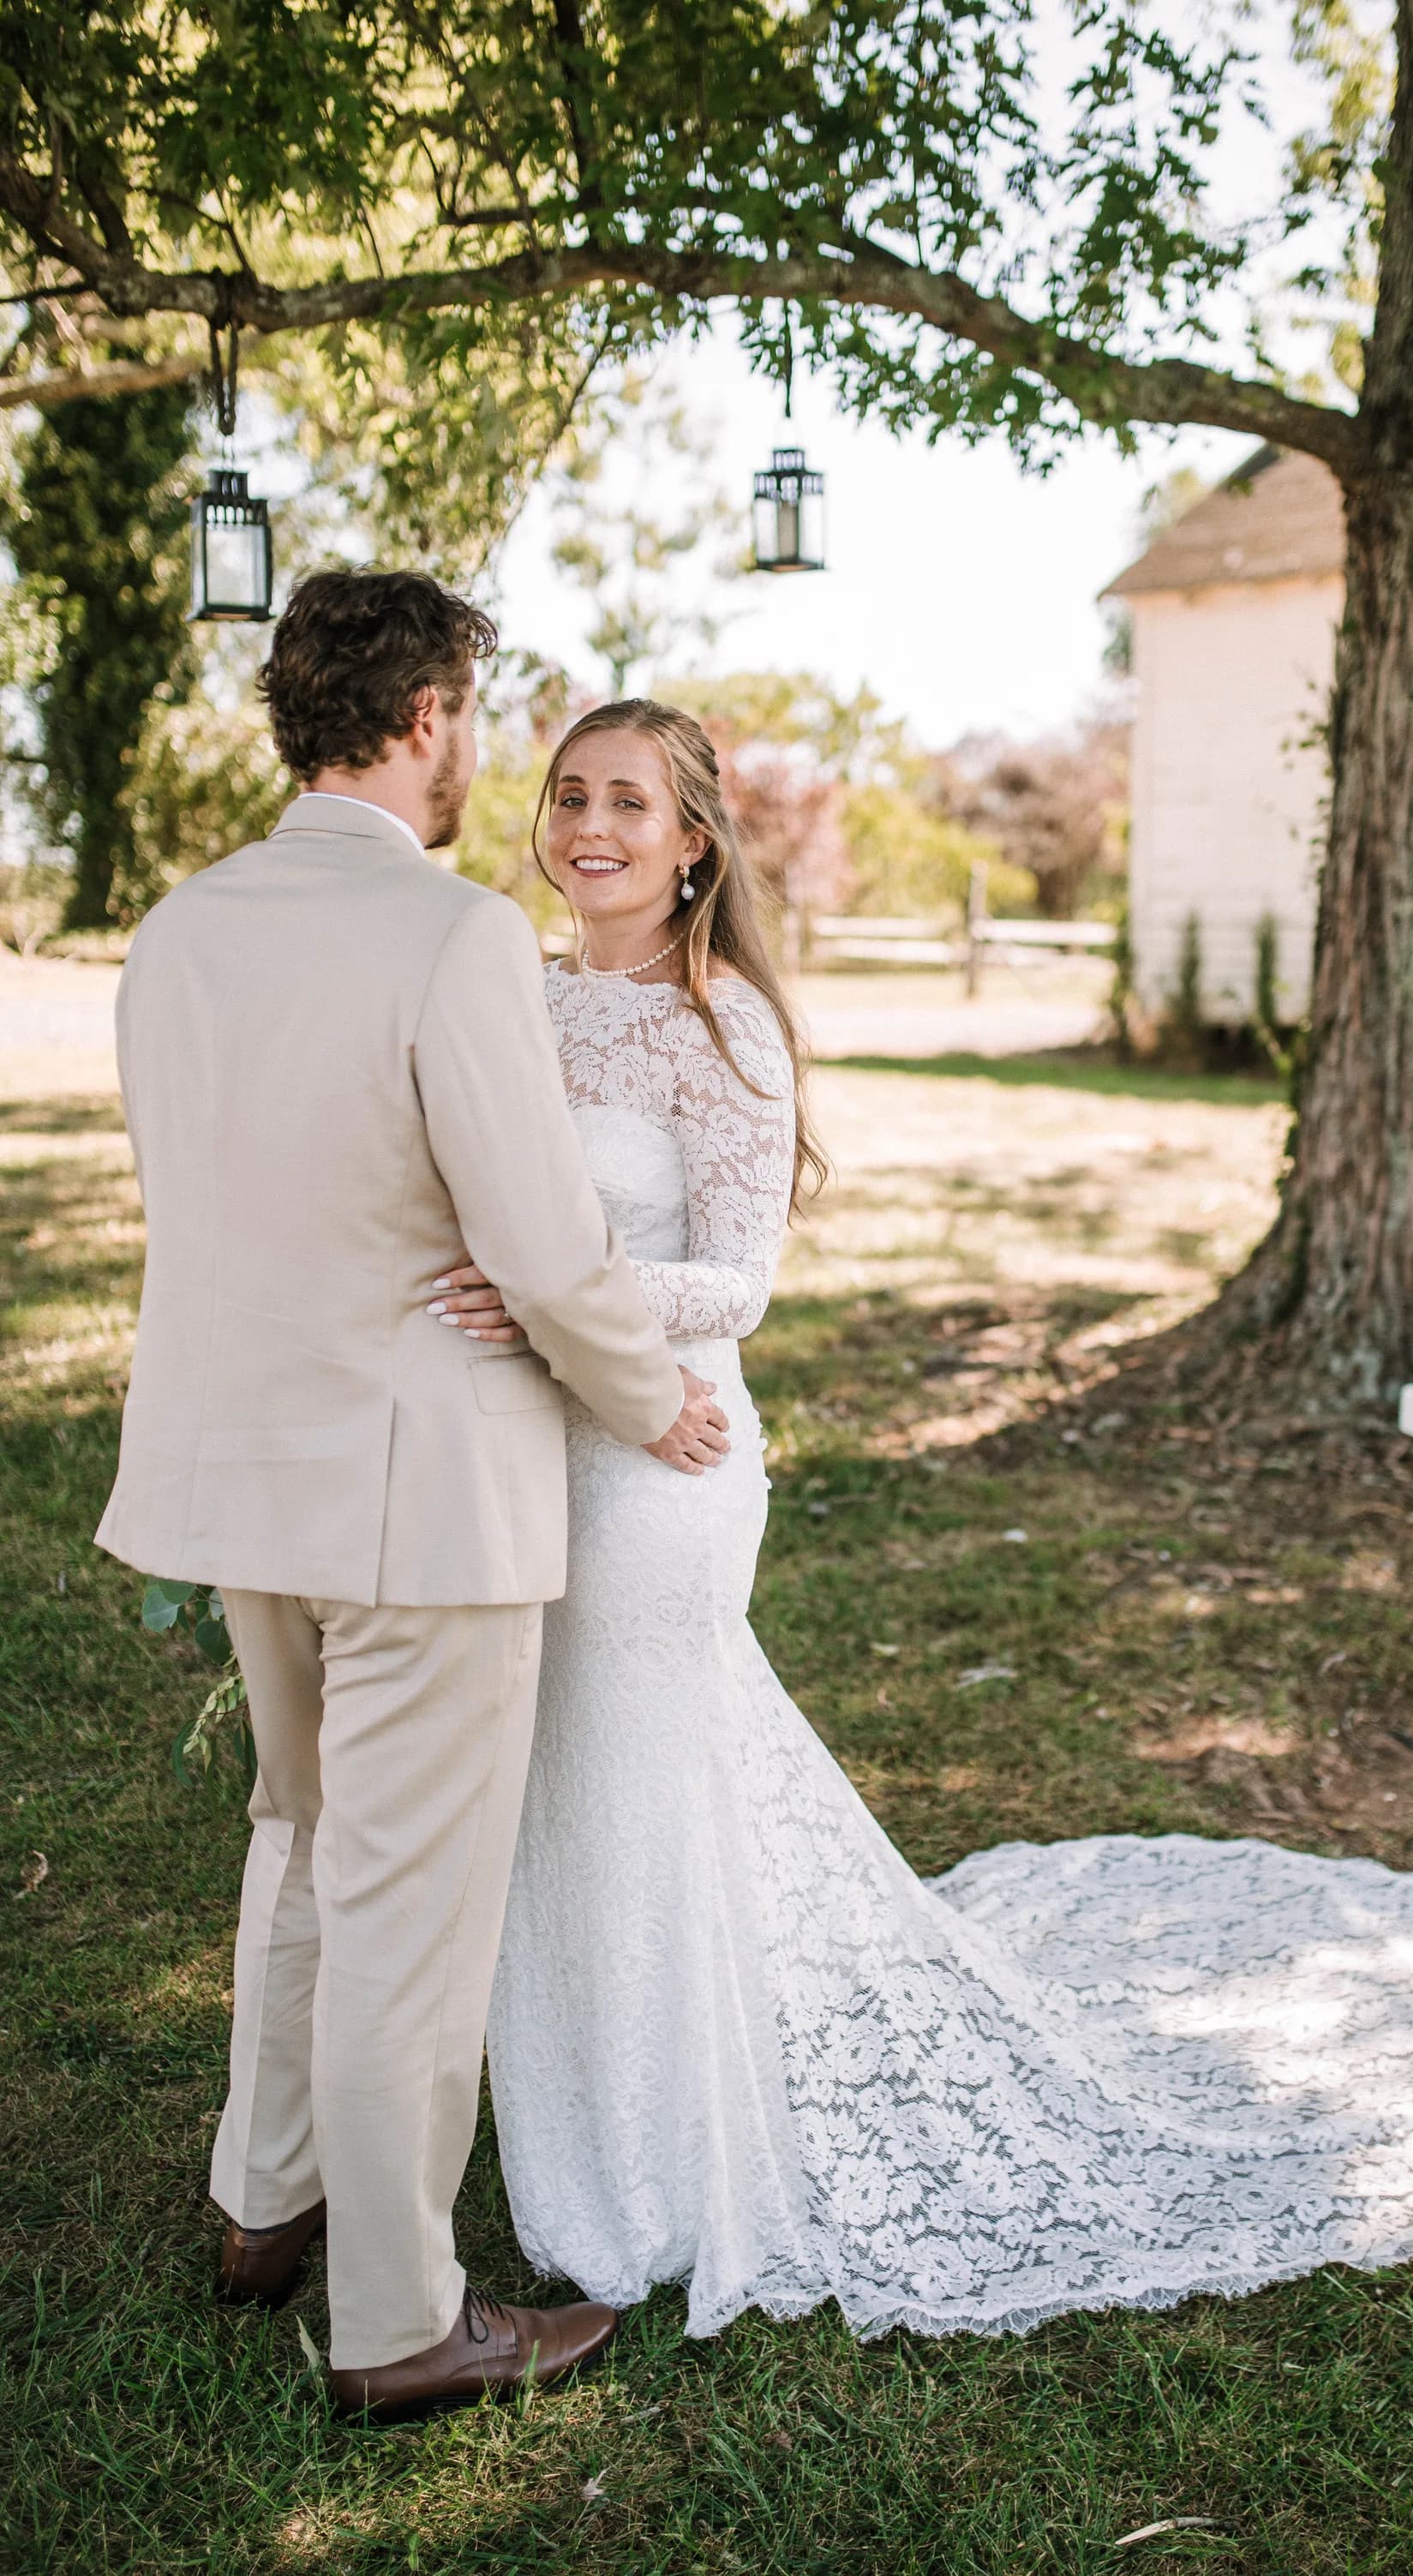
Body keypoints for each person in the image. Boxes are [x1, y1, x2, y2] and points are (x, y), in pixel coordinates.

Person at [446, 698, 1413, 2342]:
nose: (591, 828)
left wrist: (541, 1291)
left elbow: (734, 1282)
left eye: (631, 805)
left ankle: (671, 2162)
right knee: (559, 1790)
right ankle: (591, 2120)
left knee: (640, 1787)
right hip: (524, 1458)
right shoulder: (516, 994)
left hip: (664, 1463)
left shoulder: (726, 1030)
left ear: (694, 843)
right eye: (570, 795)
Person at [94, 575, 728, 2423]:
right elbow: (533, 1238)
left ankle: (257, 2200)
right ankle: (397, 2316)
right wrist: (644, 1395)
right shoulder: (448, 936)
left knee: (294, 1838)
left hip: (238, 1473)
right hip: (420, 1488)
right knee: (403, 1900)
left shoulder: (178, 930)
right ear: (436, 710)